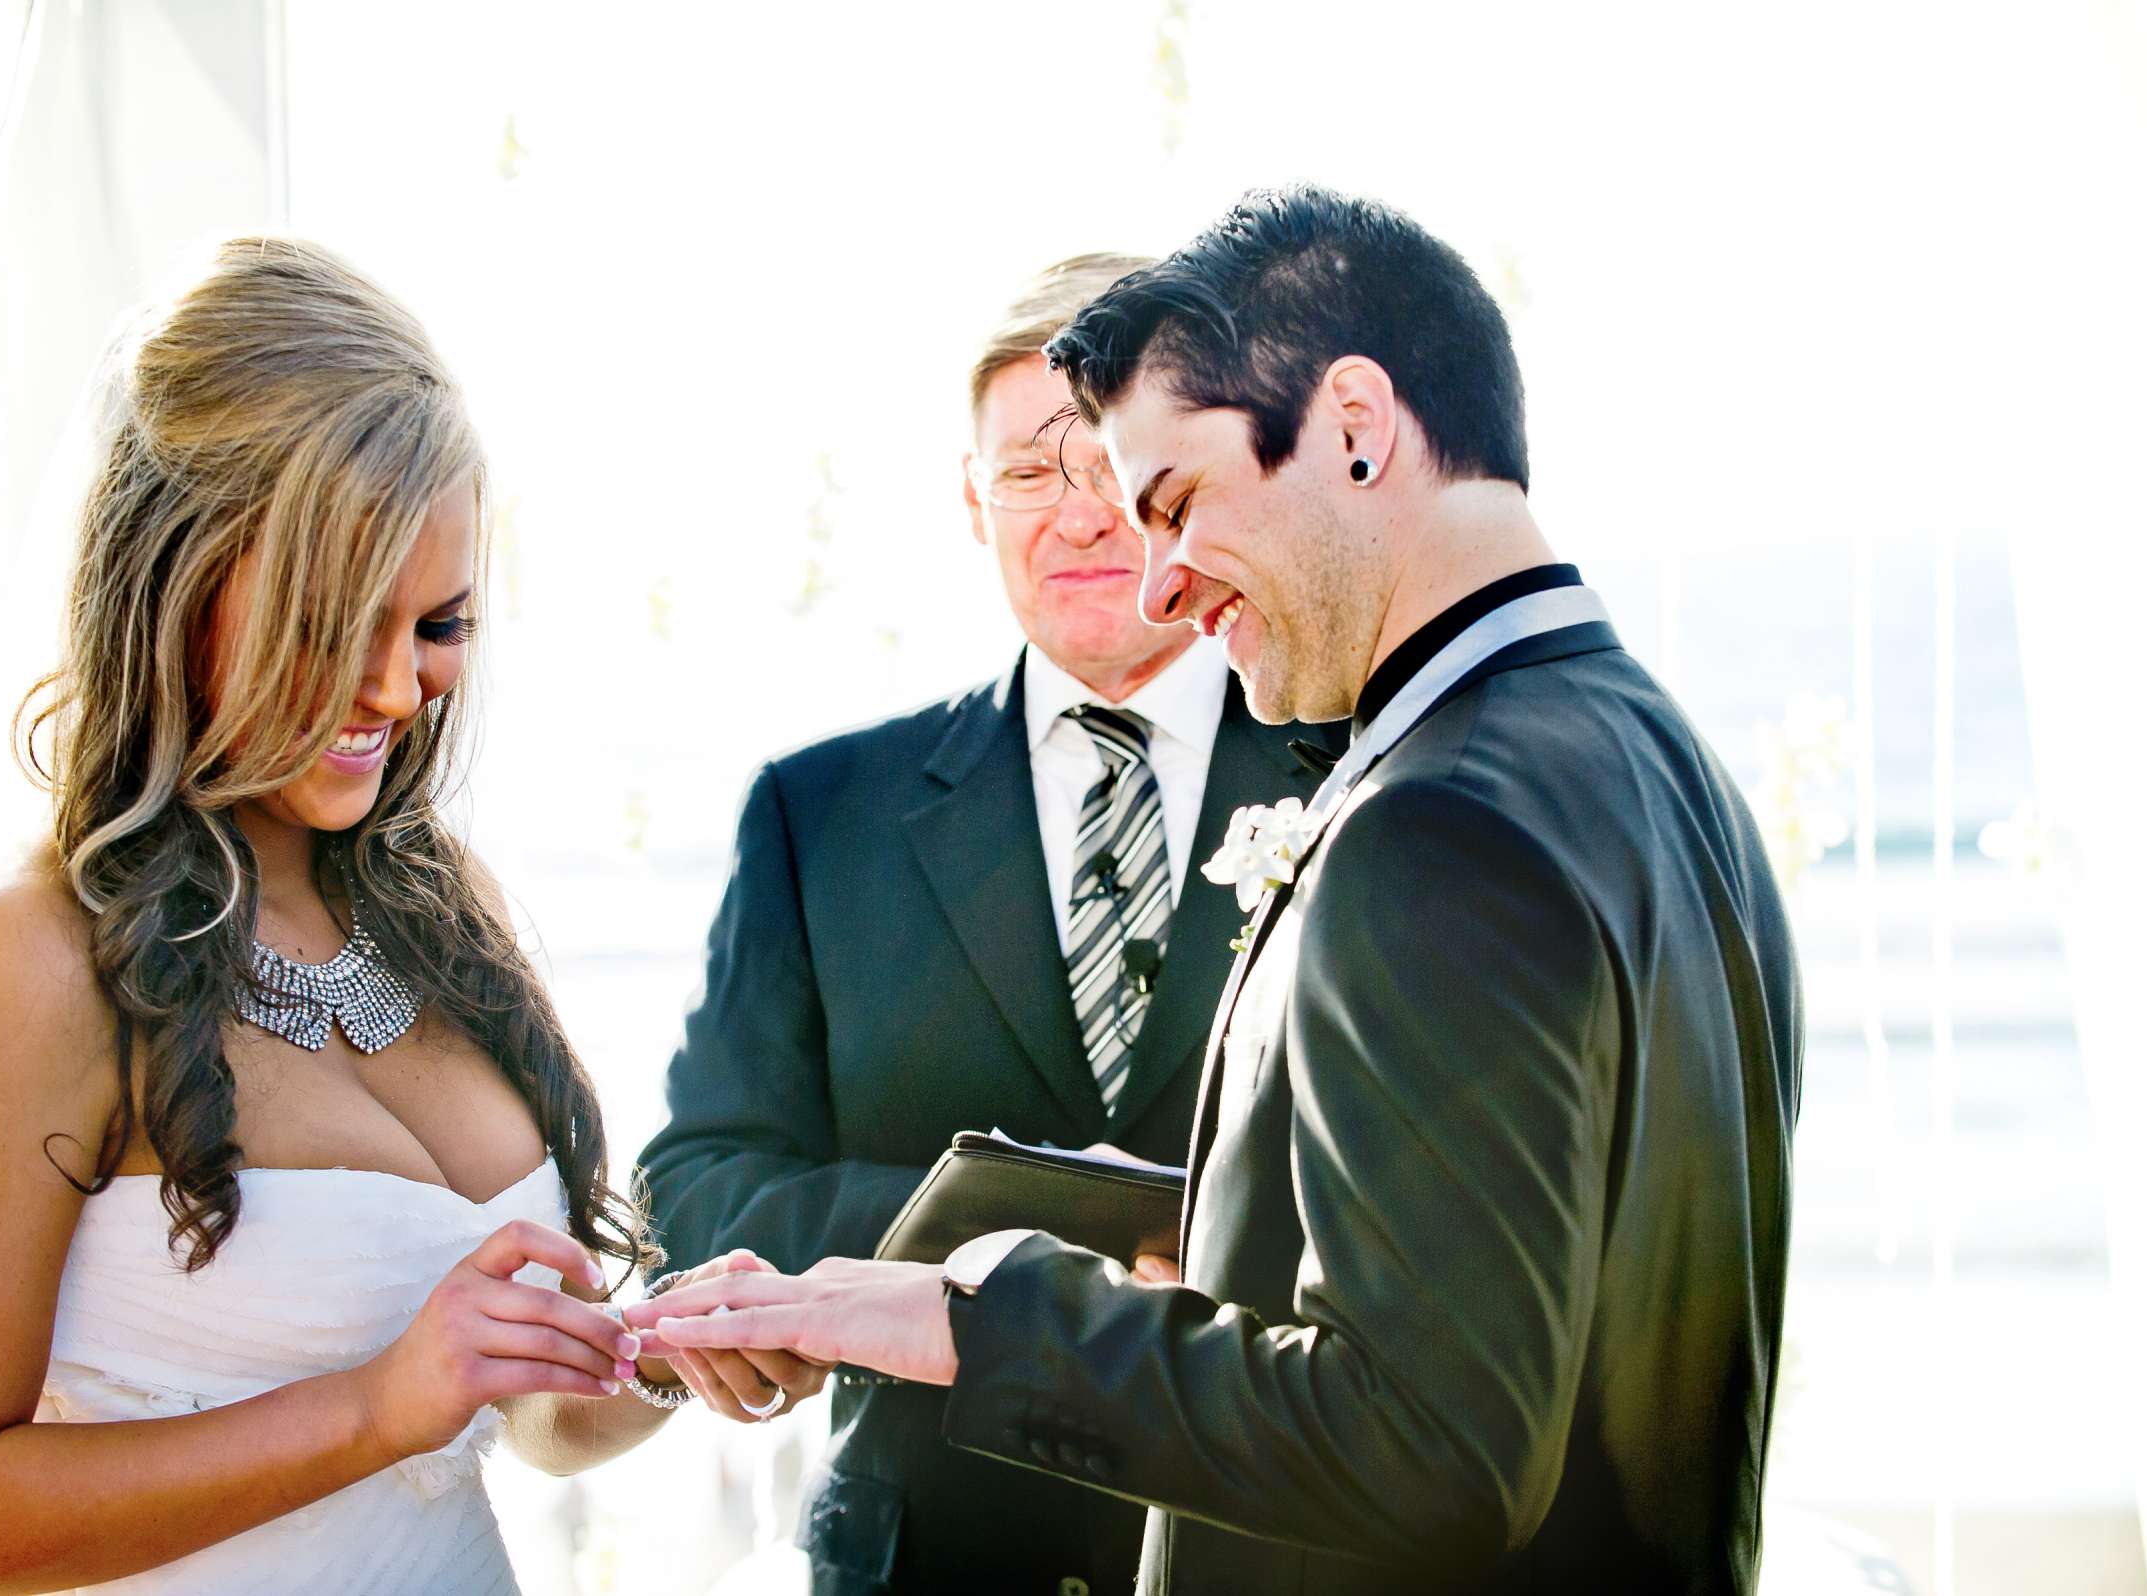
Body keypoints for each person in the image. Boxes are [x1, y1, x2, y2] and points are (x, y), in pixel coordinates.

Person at [633, 185, 1804, 1596]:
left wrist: (984, 1312)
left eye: (1176, 502)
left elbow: (1422, 1445)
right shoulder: (1665, 765)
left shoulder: (1432, 827)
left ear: (1357, 430)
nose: (1161, 575)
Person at [0, 238, 824, 1595]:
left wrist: (663, 1357)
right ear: (170, 585)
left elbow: (526, 1425)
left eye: (439, 625)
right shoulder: (26, 971)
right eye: (333, 628)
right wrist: (377, 1405)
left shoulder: (447, 908)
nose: (391, 690)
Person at [636, 254, 1333, 1595]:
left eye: (1112, 472)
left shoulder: (1346, 775)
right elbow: (697, 1189)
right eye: (1028, 472)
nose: (1078, 520)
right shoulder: (817, 813)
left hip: (1259, 1546)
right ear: (969, 500)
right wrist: (990, 1241)